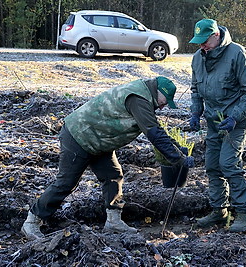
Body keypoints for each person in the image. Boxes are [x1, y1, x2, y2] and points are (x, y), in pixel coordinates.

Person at [21, 76, 194, 240]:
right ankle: (32, 220)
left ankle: (113, 221)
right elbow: (153, 133)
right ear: (159, 92)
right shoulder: (139, 99)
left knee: (113, 176)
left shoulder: (144, 95)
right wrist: (177, 160)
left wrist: (177, 149)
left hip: (98, 139)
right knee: (66, 182)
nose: (163, 107)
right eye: (165, 102)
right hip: (79, 135)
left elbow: (154, 126)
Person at [188, 19, 246, 232]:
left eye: (205, 41)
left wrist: (235, 117)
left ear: (216, 35)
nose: (202, 46)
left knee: (228, 163)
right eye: (198, 42)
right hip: (213, 120)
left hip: (235, 121)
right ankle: (219, 210)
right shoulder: (197, 59)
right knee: (212, 165)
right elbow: (195, 88)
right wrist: (195, 111)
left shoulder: (237, 54)